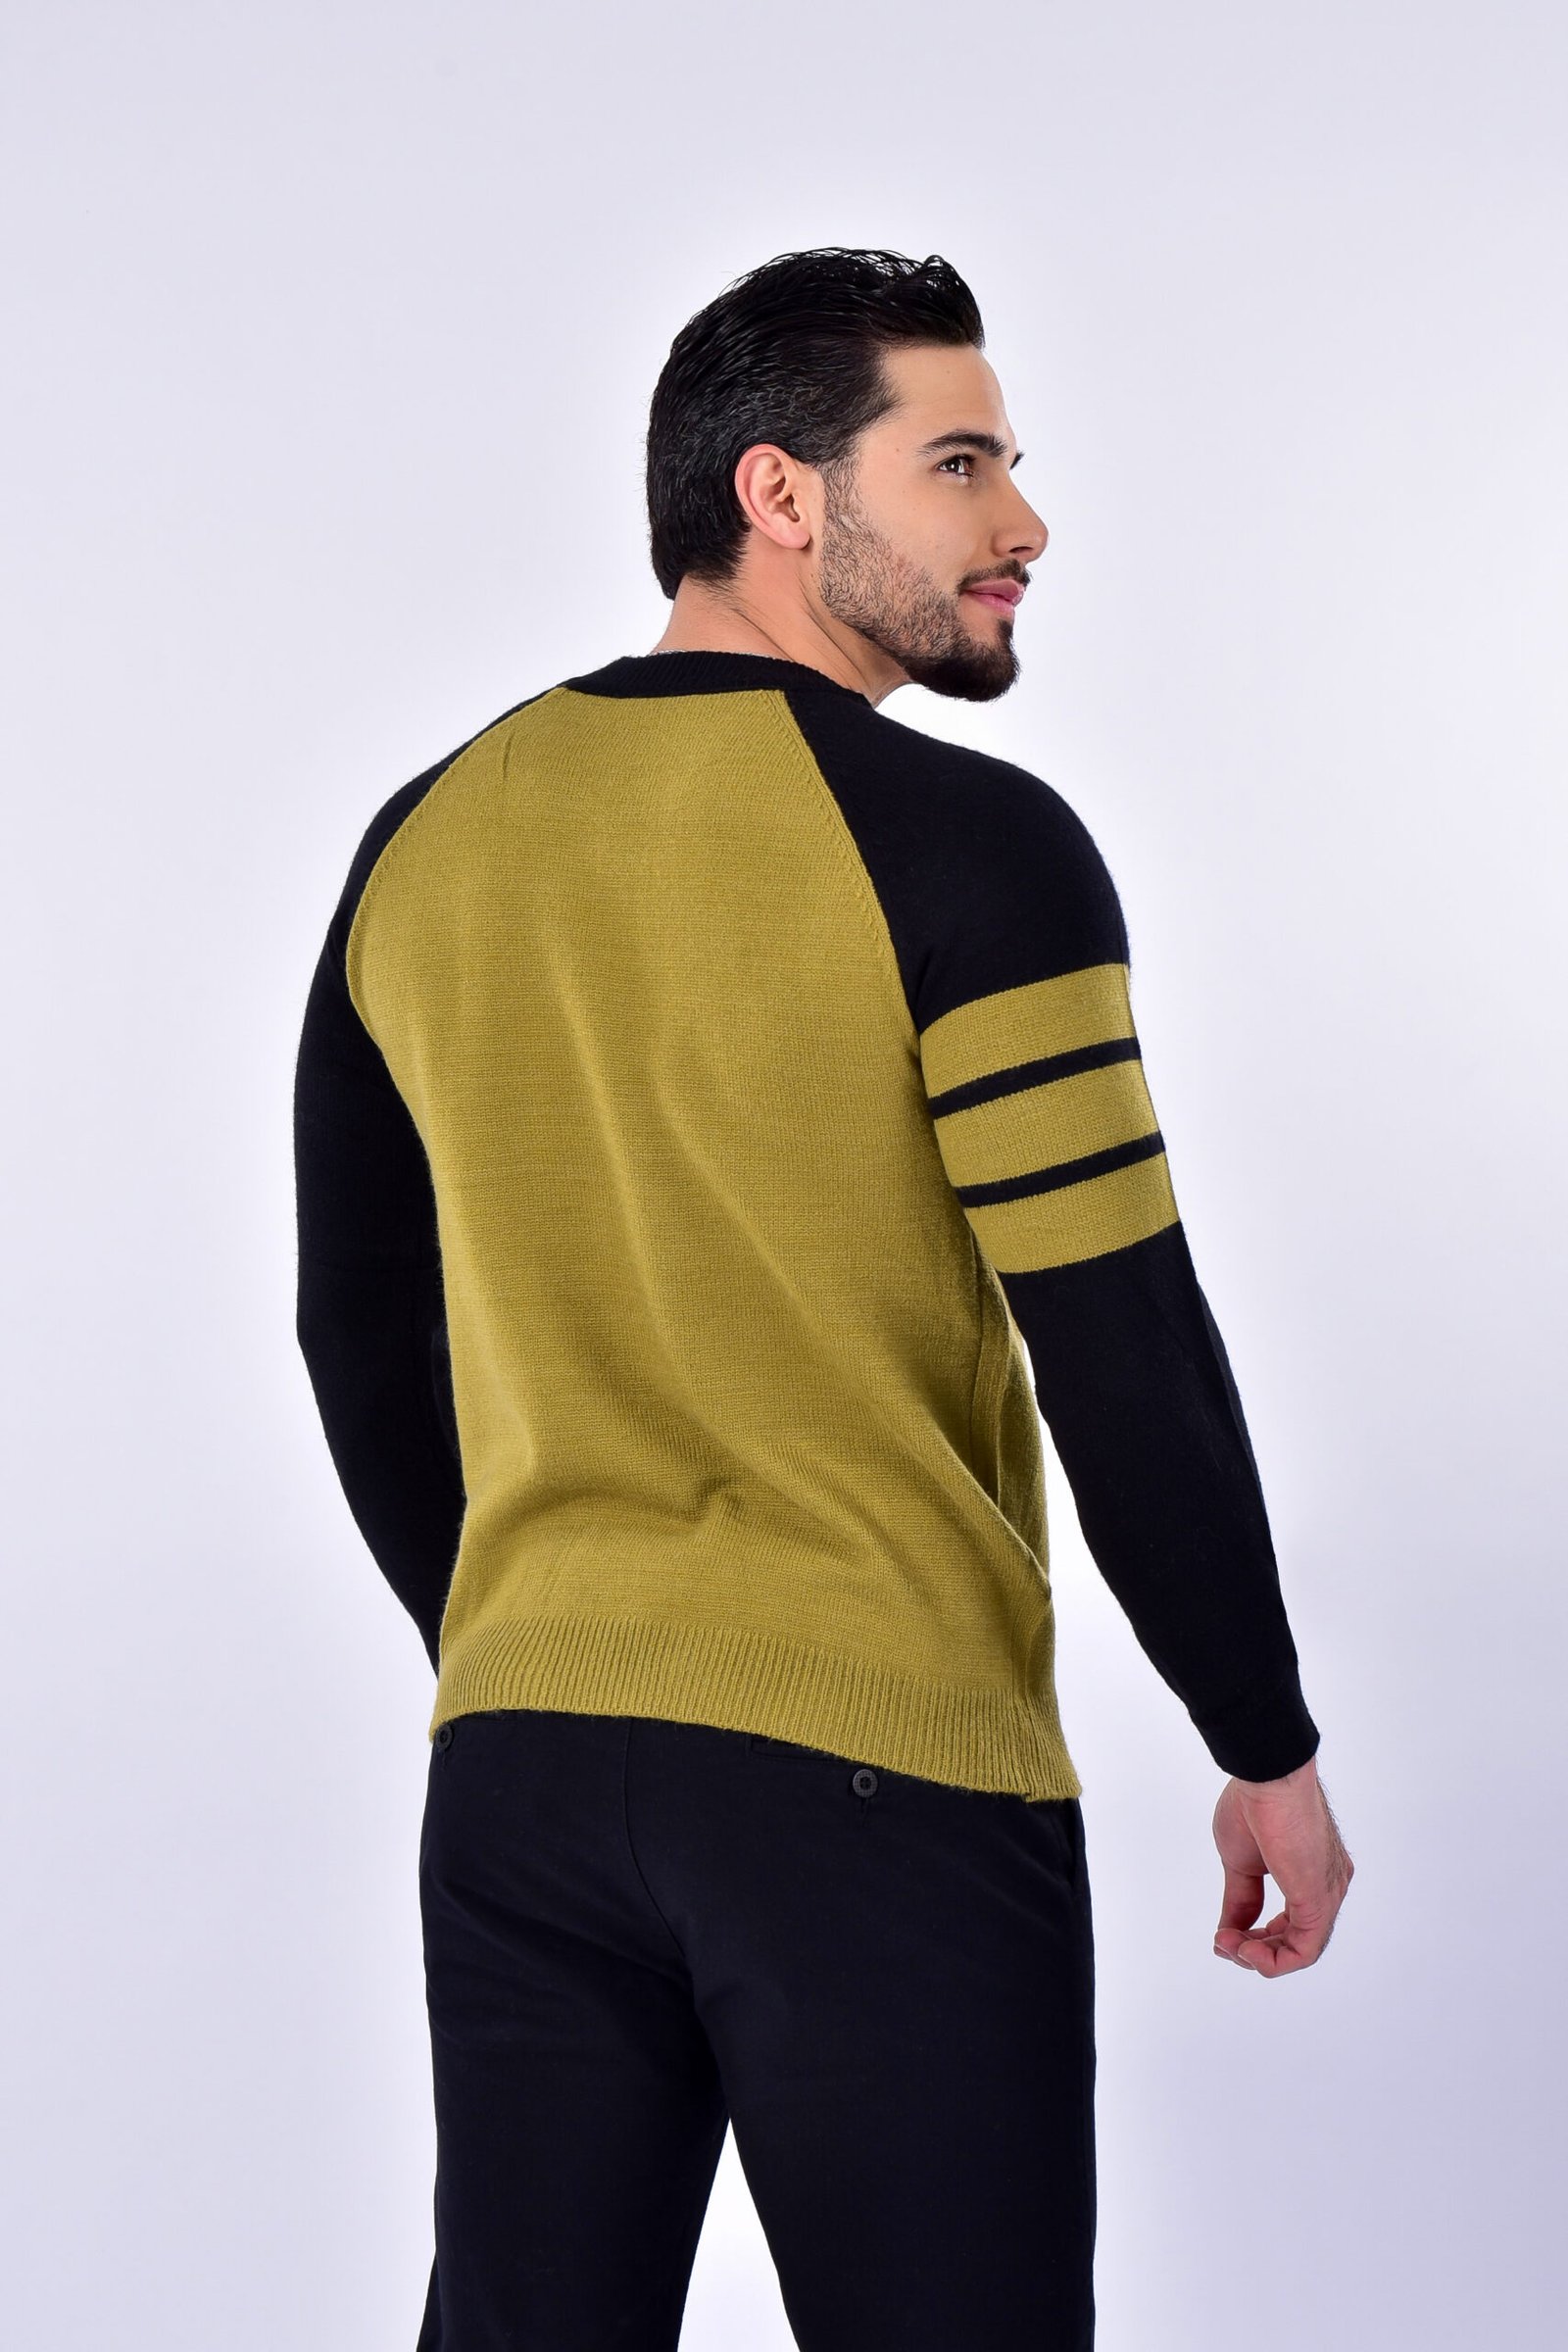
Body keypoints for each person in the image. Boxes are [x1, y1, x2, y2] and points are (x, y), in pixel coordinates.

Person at [293, 246, 1353, 2351]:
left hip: (521, 1767)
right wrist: (1261, 1738)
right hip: (873, 1771)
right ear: (778, 495)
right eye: (958, 464)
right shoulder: (965, 845)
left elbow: (356, 1331)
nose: (1021, 521)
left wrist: (535, 1642)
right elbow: (1116, 1334)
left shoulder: (428, 839)